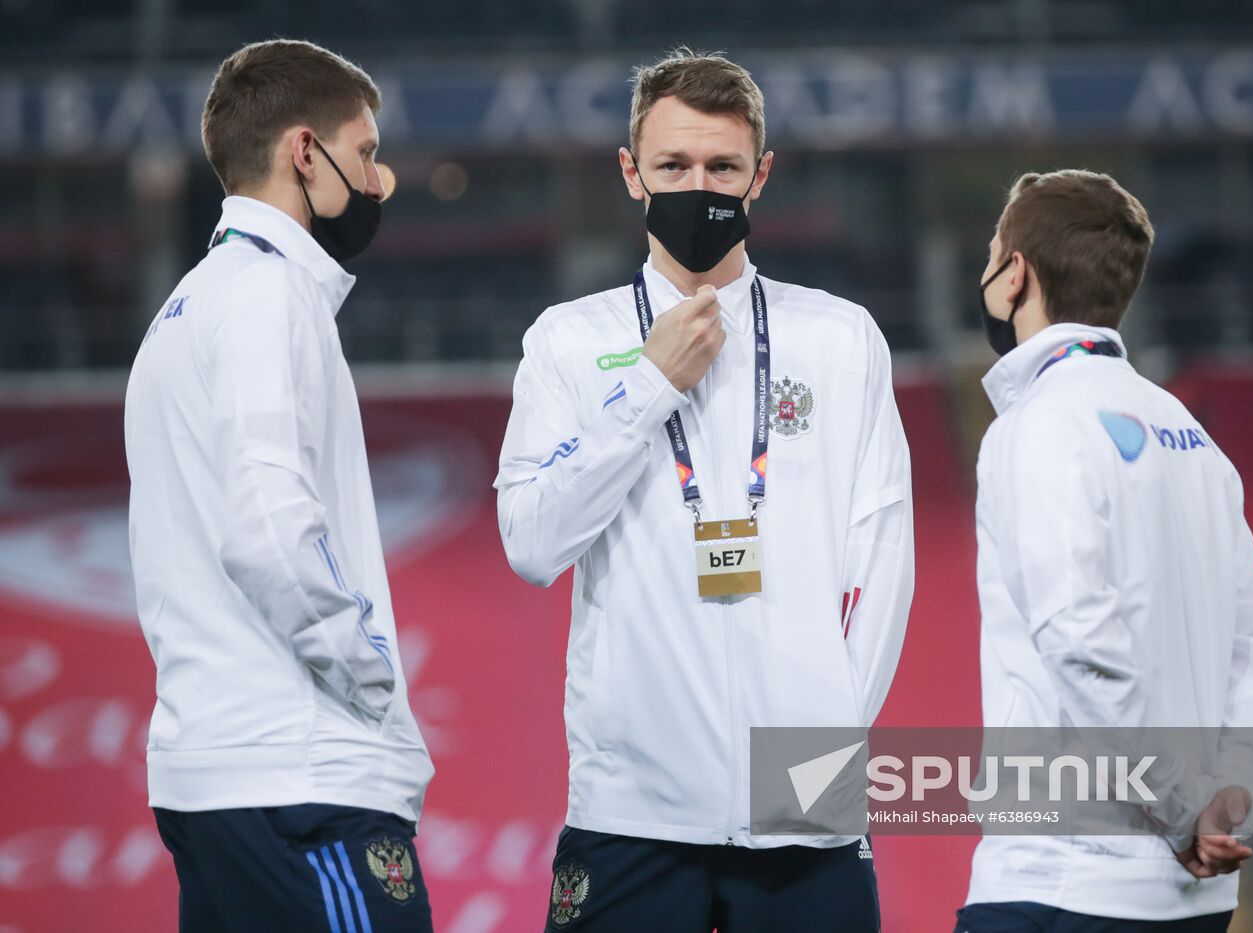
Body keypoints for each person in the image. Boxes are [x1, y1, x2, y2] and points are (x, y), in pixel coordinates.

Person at [495, 48, 914, 932]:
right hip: (630, 811)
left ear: (761, 174)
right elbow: (532, 542)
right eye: (673, 165)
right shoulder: (569, 342)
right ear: (631, 173)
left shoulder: (840, 339)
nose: (699, 186)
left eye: (722, 166)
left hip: (807, 813)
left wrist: (822, 750)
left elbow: (882, 558)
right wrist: (648, 384)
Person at [125, 39, 434, 932]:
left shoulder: (184, 308)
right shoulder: (268, 295)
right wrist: (370, 676)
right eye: (366, 153)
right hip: (300, 781)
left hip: (221, 776)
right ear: (306, 151)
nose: (379, 182)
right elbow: (266, 524)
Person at [957, 170, 1253, 932]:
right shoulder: (1191, 433)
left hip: (1062, 875)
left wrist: (1181, 811)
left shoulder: (1038, 422)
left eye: (989, 258)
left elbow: (1081, 639)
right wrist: (1233, 793)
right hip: (1191, 897)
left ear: (1015, 274)